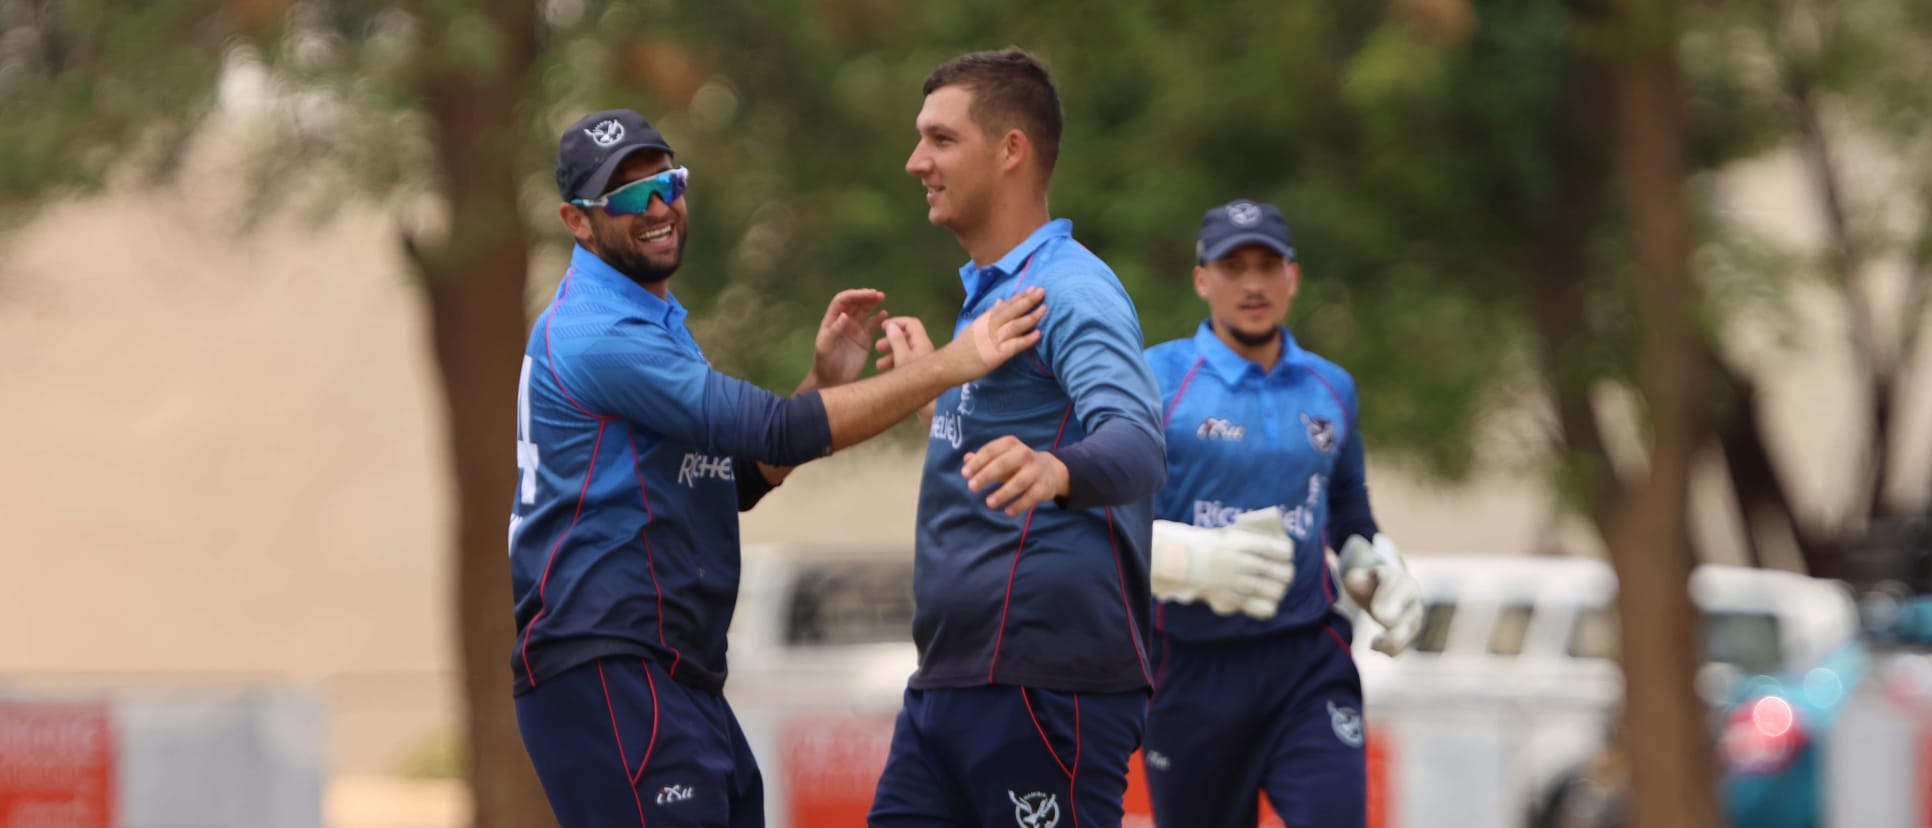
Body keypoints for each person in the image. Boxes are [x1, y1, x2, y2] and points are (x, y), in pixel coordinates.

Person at [508, 108, 1047, 828]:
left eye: (668, 182)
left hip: (674, 670)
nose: (660, 207)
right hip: (608, 664)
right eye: (630, 197)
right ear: (578, 222)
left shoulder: (648, 317)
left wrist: (821, 388)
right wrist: (955, 363)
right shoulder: (596, 331)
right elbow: (772, 428)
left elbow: (727, 480)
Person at [865, 48, 1169, 828]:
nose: (915, 161)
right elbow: (1007, 456)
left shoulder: (1070, 289)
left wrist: (1055, 469)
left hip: (1043, 683)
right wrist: (939, 391)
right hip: (950, 682)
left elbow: (1138, 443)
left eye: (940, 138)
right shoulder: (989, 302)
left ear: (1010, 151)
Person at [1135, 198, 1424, 827]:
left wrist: (1378, 567)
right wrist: (1192, 560)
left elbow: (1350, 514)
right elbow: (1110, 524)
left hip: (1306, 661)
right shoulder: (1155, 380)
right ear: (1201, 280)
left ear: (1293, 278)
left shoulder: (1331, 388)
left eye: (1268, 265)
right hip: (1189, 666)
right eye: (1233, 266)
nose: (1253, 283)